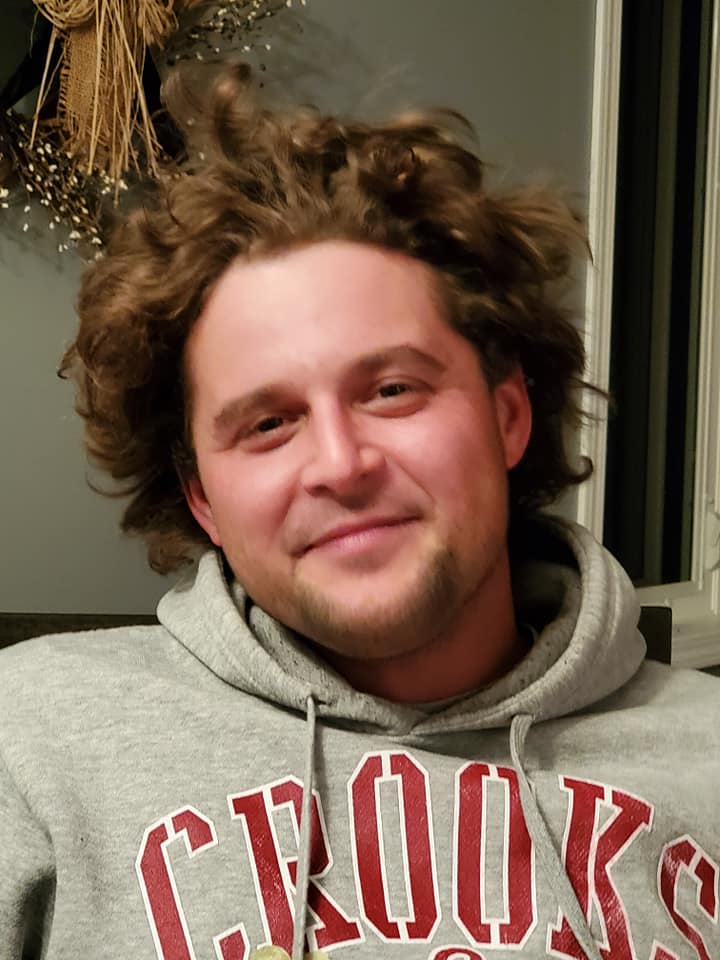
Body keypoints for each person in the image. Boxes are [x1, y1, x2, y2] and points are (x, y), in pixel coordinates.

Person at [1, 65, 718, 960]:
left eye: (391, 389)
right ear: (202, 499)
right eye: (268, 424)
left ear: (508, 416)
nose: (340, 466)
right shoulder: (30, 737)